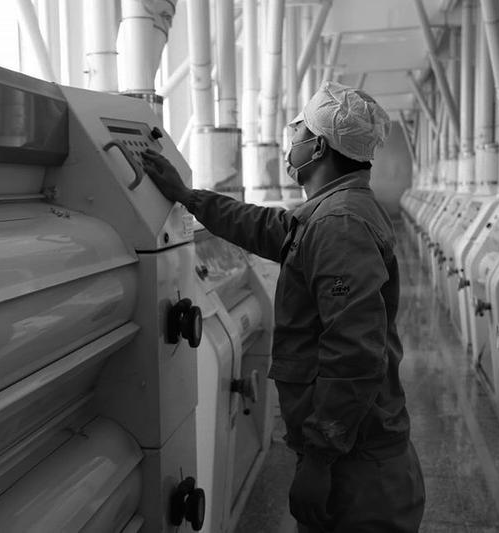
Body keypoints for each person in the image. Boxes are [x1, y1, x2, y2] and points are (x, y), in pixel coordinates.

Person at [141, 81, 425, 532]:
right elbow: (265, 226)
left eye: (299, 130)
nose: (290, 138)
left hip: (357, 470)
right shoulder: (331, 212)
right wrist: (188, 196)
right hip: (356, 453)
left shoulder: (340, 223)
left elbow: (354, 355)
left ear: (319, 147)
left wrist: (319, 461)